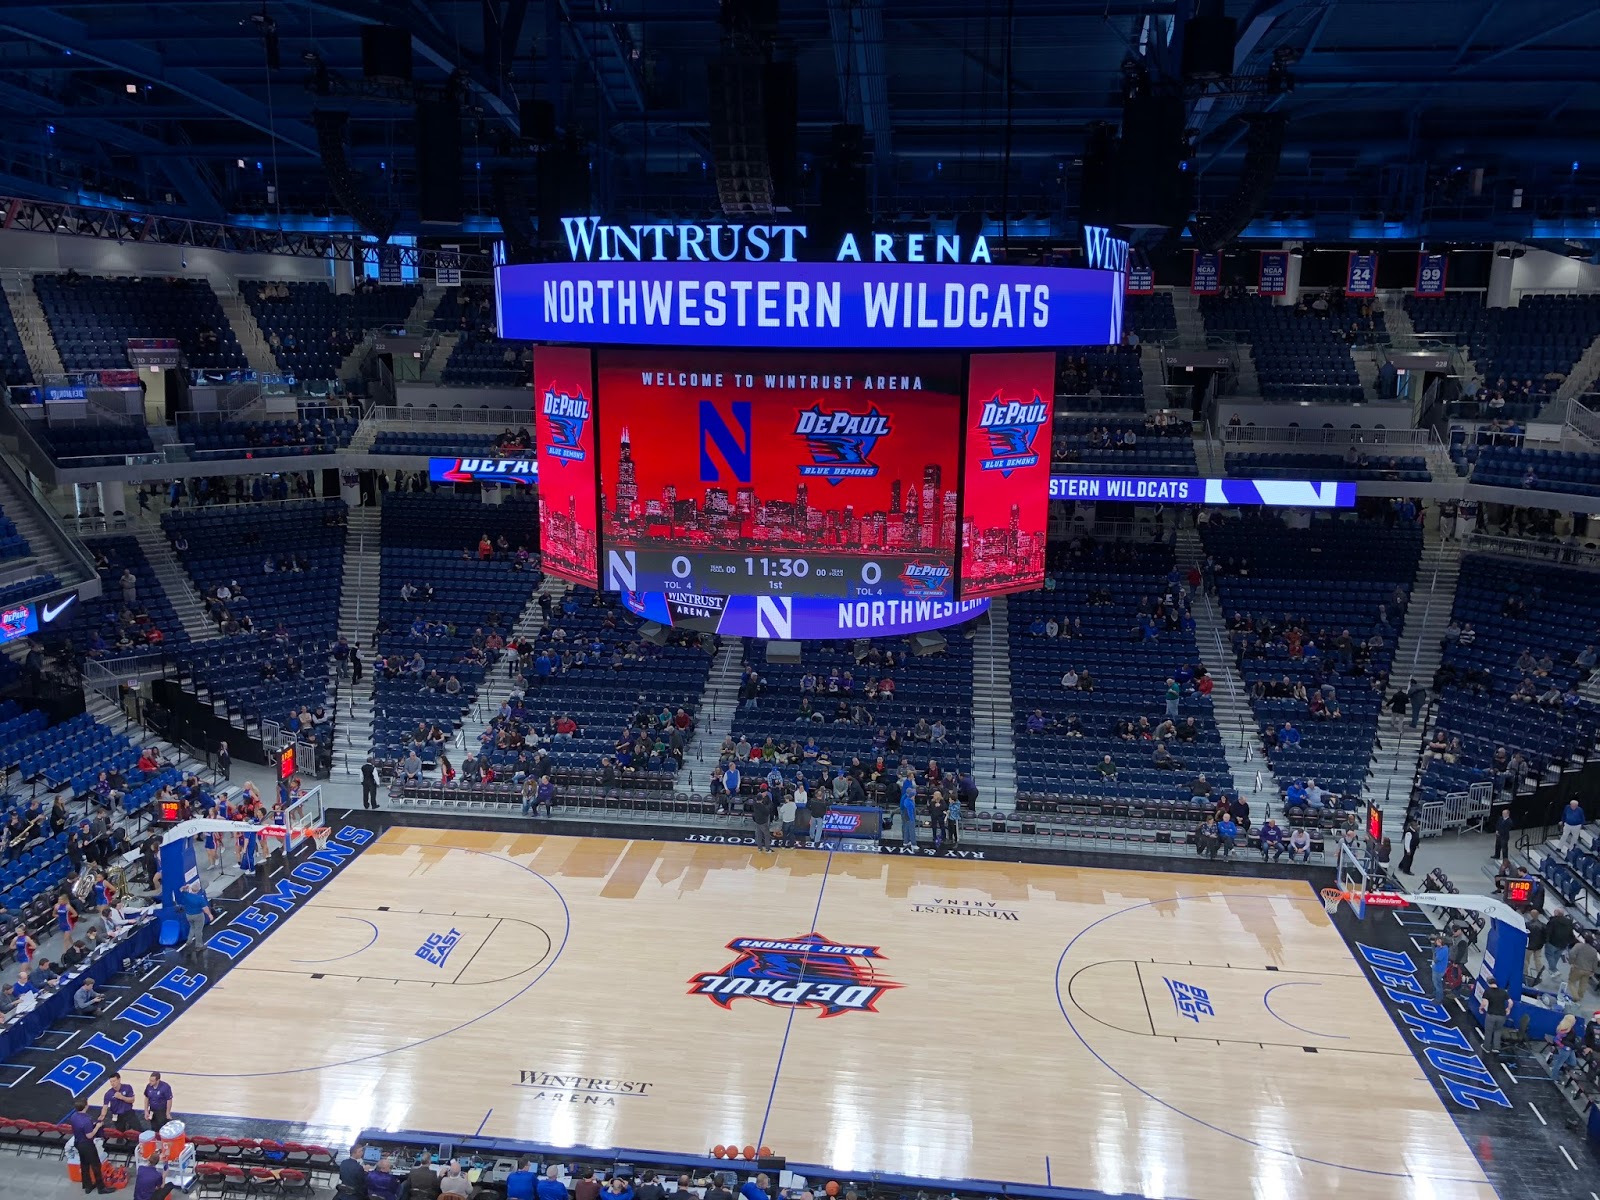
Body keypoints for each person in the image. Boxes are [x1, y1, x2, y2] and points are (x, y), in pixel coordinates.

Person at [68, 1097, 112, 1194]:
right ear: (85, 1106)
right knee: (96, 1165)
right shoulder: (86, 1120)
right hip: (87, 1145)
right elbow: (90, 1135)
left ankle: (87, 1186)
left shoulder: (73, 1116)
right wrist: (97, 1126)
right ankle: (101, 1188)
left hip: (78, 1143)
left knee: (84, 1164)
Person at [179, 882, 214, 959]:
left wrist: (186, 887)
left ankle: (189, 940)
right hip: (198, 915)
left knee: (192, 927)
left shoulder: (186, 895)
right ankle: (199, 945)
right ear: (198, 890)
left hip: (188, 915)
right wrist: (209, 915)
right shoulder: (199, 898)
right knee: (198, 930)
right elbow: (205, 908)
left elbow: (181, 889)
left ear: (191, 888)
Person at [1544, 907, 1577, 977]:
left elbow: (1548, 931)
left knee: (1549, 955)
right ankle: (1552, 971)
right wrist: (1570, 941)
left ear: (1556, 913)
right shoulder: (1569, 922)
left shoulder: (1553, 921)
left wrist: (1546, 940)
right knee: (1556, 957)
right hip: (1563, 944)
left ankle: (1554, 970)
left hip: (1552, 942)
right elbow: (1570, 933)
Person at [1548, 1012, 1579, 1080]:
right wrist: (1563, 1046)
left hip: (1571, 1048)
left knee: (1573, 1063)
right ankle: (1554, 1077)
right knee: (1558, 1064)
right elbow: (1556, 1040)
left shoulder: (1571, 1029)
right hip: (1565, 1049)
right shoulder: (1564, 1030)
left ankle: (1561, 1069)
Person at [1430, 935, 1451, 1003]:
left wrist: (1434, 952)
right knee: (1436, 983)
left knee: (1438, 984)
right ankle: (1436, 993)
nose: (1436, 942)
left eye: (1438, 941)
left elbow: (1436, 959)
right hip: (1437, 968)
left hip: (1439, 970)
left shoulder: (1443, 951)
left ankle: (1438, 999)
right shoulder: (1442, 948)